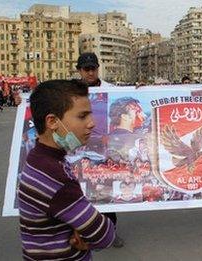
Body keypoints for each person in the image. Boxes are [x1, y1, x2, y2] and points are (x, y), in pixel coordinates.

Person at [19, 80, 115, 260]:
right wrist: (89, 233)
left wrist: (81, 228)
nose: (92, 123)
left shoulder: (38, 158)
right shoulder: (55, 177)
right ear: (52, 121)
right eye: (82, 116)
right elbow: (105, 235)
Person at [76, 52, 126, 247]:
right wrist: (22, 100)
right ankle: (84, 234)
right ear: (79, 70)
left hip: (106, 148)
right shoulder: (71, 92)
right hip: (80, 147)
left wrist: (140, 89)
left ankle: (110, 232)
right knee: (82, 192)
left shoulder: (111, 89)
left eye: (93, 68)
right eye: (86, 69)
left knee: (105, 189)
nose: (90, 72)